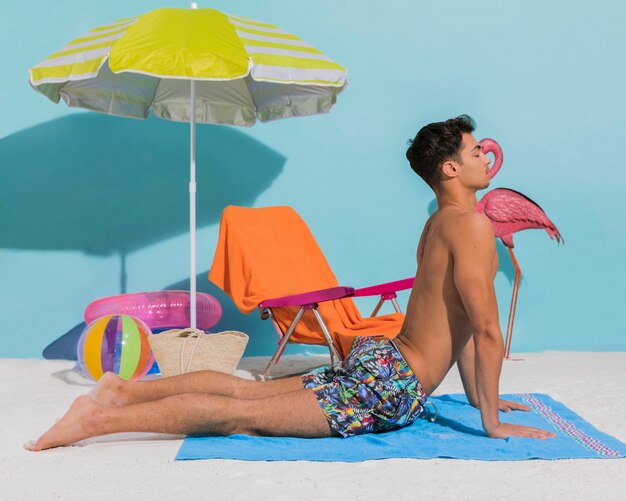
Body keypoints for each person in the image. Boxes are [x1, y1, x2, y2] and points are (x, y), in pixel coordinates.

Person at [26, 115, 555, 451]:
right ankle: (96, 420)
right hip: (389, 386)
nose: (484, 155)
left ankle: (120, 389)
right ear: (449, 169)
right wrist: (491, 423)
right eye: (473, 152)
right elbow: (485, 331)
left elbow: (461, 326)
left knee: (244, 392)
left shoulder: (437, 222)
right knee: (241, 414)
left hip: (381, 362)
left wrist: (487, 396)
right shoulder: (473, 225)